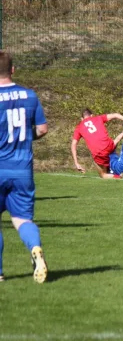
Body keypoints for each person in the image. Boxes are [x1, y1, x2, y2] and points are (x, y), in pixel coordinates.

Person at [0, 51, 49, 283]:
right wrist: (25, 139)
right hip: (23, 169)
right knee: (22, 219)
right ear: (13, 70)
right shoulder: (30, 95)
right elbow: (42, 129)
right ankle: (35, 248)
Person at [71, 107, 123, 179]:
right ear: (91, 115)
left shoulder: (79, 127)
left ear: (82, 119)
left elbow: (73, 145)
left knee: (103, 174)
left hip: (98, 153)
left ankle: (117, 176)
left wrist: (76, 163)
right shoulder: (98, 118)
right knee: (114, 142)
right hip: (108, 146)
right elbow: (116, 115)